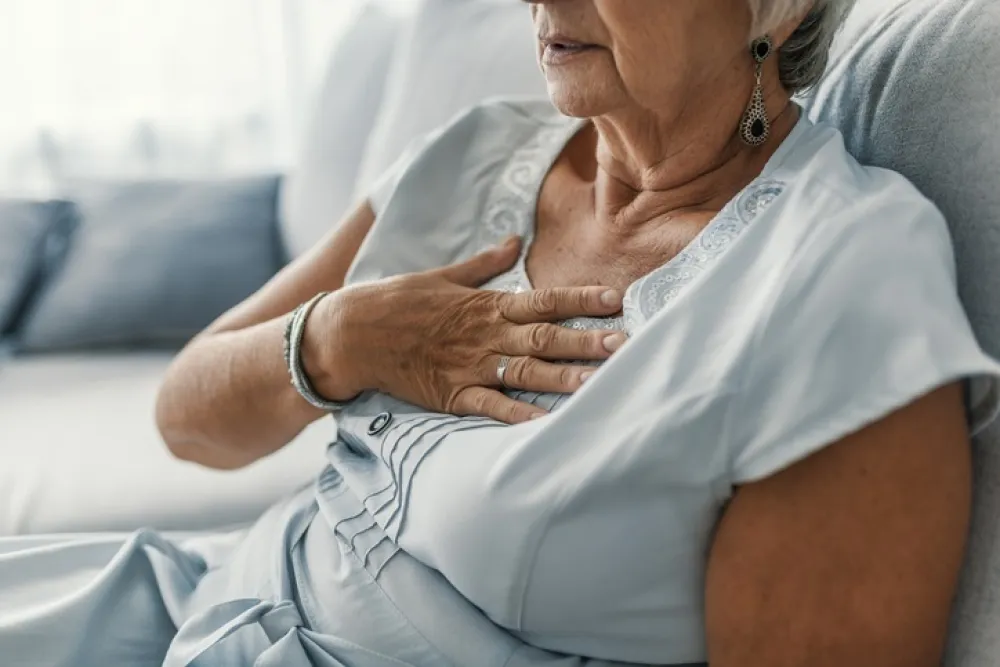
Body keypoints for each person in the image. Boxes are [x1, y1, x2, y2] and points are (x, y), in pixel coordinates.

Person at [2, 1, 998, 665]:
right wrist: (338, 337)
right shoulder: (480, 148)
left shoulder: (836, 275)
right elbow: (189, 420)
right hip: (193, 600)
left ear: (773, 8)